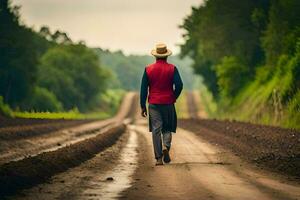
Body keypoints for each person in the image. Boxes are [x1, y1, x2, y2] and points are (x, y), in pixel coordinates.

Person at [140, 43, 183, 166]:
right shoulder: (172, 68)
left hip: (154, 103)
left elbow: (143, 89)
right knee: (167, 127)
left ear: (155, 56)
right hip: (168, 103)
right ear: (166, 56)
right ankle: (166, 146)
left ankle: (159, 158)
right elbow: (179, 85)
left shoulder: (148, 69)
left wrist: (142, 106)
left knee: (156, 129)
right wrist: (173, 97)